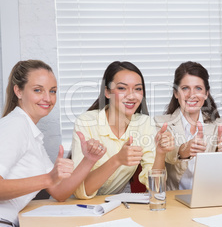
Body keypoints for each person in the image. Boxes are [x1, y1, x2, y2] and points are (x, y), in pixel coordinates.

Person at [0, 60, 105, 226]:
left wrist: (89, 160)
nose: (48, 98)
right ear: (18, 91)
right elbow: (49, 181)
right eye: (37, 90)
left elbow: (59, 191)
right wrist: (48, 179)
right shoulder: (15, 125)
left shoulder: (31, 133)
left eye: (53, 91)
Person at [71, 61, 173, 199]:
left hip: (114, 206)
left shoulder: (144, 123)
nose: (131, 96)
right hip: (77, 207)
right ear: (107, 92)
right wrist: (117, 160)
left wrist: (160, 153)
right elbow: (81, 192)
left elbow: (155, 188)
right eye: (122, 88)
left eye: (137, 89)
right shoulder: (86, 122)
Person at [154, 61, 222, 190]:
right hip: (174, 201)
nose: (192, 95)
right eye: (185, 88)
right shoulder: (161, 123)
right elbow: (166, 156)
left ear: (206, 93)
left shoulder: (219, 125)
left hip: (207, 197)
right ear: (175, 93)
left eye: (198, 88)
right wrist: (183, 151)